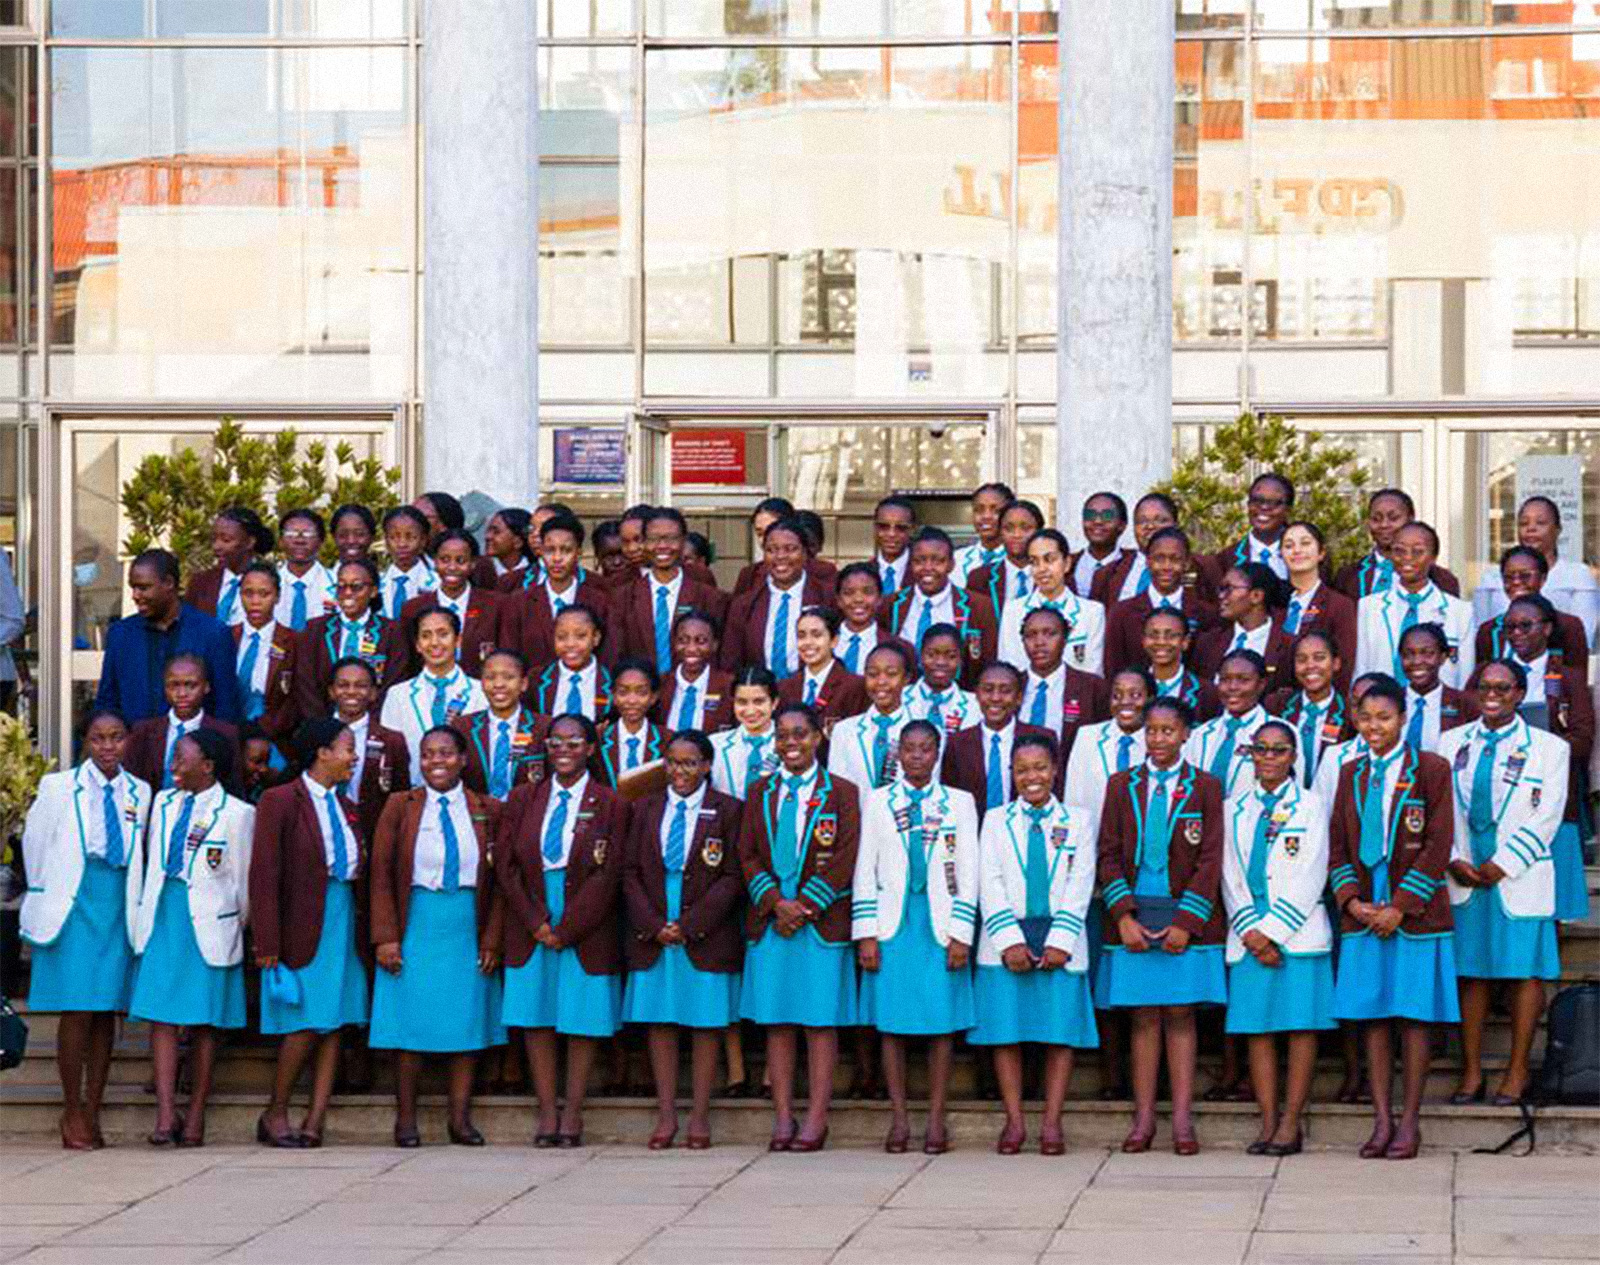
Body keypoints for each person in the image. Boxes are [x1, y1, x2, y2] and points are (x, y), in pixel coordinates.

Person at [1328, 677, 1457, 1160]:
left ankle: (1410, 1120)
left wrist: (1399, 906)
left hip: (1413, 911)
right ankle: (1381, 1118)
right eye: (1365, 718)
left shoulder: (1431, 769)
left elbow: (1438, 843)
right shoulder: (1350, 772)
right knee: (1373, 1017)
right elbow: (1338, 844)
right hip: (1365, 907)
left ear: (1403, 718)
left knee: (1413, 1017)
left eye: (1384, 717)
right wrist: (1353, 902)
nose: (1374, 726)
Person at [1095, 697, 1227, 1156]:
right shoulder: (1122, 784)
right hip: (1135, 913)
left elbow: (1210, 858)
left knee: (1180, 1015)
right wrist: (1123, 917)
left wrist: (1187, 922)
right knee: (1144, 1018)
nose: (1158, 739)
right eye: (1151, 731)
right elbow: (1107, 854)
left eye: (1168, 730)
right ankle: (1145, 1116)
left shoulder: (1206, 787)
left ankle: (1184, 1119)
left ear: (1186, 734)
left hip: (1182, 916)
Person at [369, 725, 505, 1147]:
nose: (436, 762)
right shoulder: (400, 806)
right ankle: (406, 1120)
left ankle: (459, 1119)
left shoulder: (486, 808)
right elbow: (381, 874)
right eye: (427, 754)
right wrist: (386, 936)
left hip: (465, 922)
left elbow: (501, 881)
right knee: (408, 1026)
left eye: (445, 753)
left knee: (466, 1026)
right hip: (416, 922)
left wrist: (492, 939)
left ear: (463, 759)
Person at [21, 710, 150, 1149]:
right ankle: (71, 1109)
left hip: (116, 904)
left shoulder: (141, 792)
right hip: (74, 903)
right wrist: (46, 895)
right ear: (85, 744)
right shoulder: (58, 788)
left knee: (104, 1010)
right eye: (98, 739)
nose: (108, 747)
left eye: (116, 738)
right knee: (76, 1008)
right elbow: (35, 845)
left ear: (127, 741)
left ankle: (93, 1108)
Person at [498, 713, 627, 1146]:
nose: (564, 751)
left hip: (584, 919)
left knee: (581, 1016)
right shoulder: (523, 798)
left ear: (591, 749)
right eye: (556, 743)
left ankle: (573, 1112)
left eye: (574, 743)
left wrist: (567, 928)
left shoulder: (610, 802)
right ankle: (547, 1110)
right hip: (531, 916)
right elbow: (508, 867)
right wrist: (536, 921)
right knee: (536, 1015)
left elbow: (608, 874)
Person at [1442, 660, 1567, 1107]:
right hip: (1466, 875)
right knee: (1471, 974)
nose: (1492, 694)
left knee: (1523, 975)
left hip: (1517, 876)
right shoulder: (1451, 742)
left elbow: (1548, 814)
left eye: (1502, 687)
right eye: (1484, 686)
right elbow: (1441, 811)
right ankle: (1471, 1071)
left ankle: (1516, 1072)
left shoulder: (1549, 749)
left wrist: (1505, 862)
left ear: (1519, 692)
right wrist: (1455, 858)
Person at [739, 703, 861, 1152]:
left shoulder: (842, 793)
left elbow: (847, 855)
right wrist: (774, 903)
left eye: (800, 735)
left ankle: (816, 1117)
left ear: (818, 738)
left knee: (819, 1022)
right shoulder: (760, 791)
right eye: (783, 736)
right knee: (778, 1022)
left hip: (818, 922)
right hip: (773, 921)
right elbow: (747, 852)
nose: (791, 744)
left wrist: (804, 905)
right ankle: (784, 1115)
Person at [971, 733, 1100, 1155]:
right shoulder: (995, 819)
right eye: (1023, 769)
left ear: (1056, 769)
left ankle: (1051, 1122)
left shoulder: (1077, 821)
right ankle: (1014, 1121)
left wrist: (1061, 940)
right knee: (1007, 1034)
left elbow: (1081, 883)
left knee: (1058, 1034)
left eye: (1040, 768)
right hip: (1007, 940)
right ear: (1011, 773)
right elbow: (988, 882)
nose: (1032, 777)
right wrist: (1008, 941)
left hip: (1060, 938)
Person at [854, 721, 978, 1154]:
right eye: (910, 750)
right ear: (899, 754)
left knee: (941, 1025)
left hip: (938, 925)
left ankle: (937, 1120)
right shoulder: (878, 801)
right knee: (892, 1025)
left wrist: (962, 932)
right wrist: (866, 933)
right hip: (894, 923)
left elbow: (969, 872)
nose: (918, 757)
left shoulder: (959, 803)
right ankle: (900, 1118)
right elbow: (864, 870)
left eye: (926, 749)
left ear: (938, 752)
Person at [127, 728, 254, 1148]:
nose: (174, 764)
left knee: (204, 1023)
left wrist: (237, 925)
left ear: (208, 766)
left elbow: (243, 881)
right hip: (165, 915)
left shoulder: (236, 813)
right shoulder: (162, 803)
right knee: (161, 1018)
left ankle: (196, 1112)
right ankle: (166, 1113)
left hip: (210, 923)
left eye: (182, 757)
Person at [622, 730, 745, 1149]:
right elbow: (631, 871)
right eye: (673, 762)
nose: (680, 771)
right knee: (662, 1020)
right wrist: (655, 923)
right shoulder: (645, 808)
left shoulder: (727, 810)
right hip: (656, 925)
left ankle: (699, 1116)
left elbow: (732, 875)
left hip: (704, 927)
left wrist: (690, 925)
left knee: (706, 1022)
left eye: (690, 763)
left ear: (707, 766)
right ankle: (667, 1114)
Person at [250, 719, 370, 1148]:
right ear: (322, 752)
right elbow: (264, 874)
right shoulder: (281, 800)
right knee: (303, 1024)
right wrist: (267, 942)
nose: (353, 757)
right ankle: (276, 1110)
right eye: (347, 749)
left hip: (342, 921)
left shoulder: (347, 804)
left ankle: (316, 1117)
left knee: (334, 1023)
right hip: (302, 925)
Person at [1220, 719, 1335, 1156]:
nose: (1269, 758)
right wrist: (1251, 929)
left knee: (1300, 1027)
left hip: (1297, 936)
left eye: (1279, 750)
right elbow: (1229, 874)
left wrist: (1272, 933)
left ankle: (1291, 1121)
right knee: (1259, 1028)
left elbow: (1311, 872)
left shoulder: (1311, 806)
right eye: (1261, 749)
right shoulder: (1233, 807)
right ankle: (1267, 1119)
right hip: (1248, 935)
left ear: (1294, 757)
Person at [1495, 595, 1594, 921]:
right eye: (1510, 627)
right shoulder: (1489, 675)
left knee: (1553, 906)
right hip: (1500, 792)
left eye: (1526, 625)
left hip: (1548, 789)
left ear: (1548, 628)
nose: (1517, 633)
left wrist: (1543, 752)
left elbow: (1581, 738)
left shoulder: (1568, 677)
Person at [96, 549, 242, 725]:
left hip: (196, 747)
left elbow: (226, 706)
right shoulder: (120, 634)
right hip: (137, 746)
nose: (135, 596)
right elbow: (107, 701)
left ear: (168, 583)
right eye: (133, 588)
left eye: (143, 588)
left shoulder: (212, 633)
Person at [1354, 521, 1475, 690]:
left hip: (1440, 709)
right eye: (1399, 551)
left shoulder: (1460, 611)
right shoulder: (1369, 607)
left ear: (1433, 557)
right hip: (1382, 709)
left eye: (1418, 552)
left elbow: (1465, 674)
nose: (1407, 557)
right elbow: (1362, 667)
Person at [1472, 495, 1600, 649]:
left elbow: (1583, 638)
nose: (1531, 528)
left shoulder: (1578, 575)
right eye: (1524, 523)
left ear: (1558, 529)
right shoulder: (1491, 577)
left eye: (1541, 522)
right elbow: (1482, 637)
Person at [609, 509, 726, 674]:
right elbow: (615, 655)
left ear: (684, 541)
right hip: (640, 694)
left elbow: (719, 657)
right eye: (654, 539)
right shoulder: (622, 597)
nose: (662, 546)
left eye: (671, 538)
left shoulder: (710, 597)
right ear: (643, 542)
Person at [881, 527, 999, 688]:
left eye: (938, 560)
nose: (928, 567)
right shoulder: (891, 605)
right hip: (903, 699)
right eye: (920, 560)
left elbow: (988, 661)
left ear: (951, 564)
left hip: (960, 701)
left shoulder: (979, 606)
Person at [293, 558, 408, 721]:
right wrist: (327, 727)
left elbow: (393, 685)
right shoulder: (314, 630)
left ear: (374, 590)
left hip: (376, 724)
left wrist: (367, 724)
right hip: (324, 726)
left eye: (356, 587)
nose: (347, 593)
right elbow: (305, 685)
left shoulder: (392, 632)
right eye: (341, 586)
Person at [941, 662, 1055, 821]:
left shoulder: (1042, 738)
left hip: (1026, 832)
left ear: (1019, 698)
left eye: (1005, 691)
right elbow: (951, 798)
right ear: (977, 694)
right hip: (974, 835)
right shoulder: (958, 743)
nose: (995, 698)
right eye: (988, 690)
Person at [501, 515, 612, 676]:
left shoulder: (599, 601)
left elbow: (608, 655)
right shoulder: (519, 602)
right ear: (541, 551)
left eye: (566, 550)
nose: (557, 558)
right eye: (550, 550)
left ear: (578, 552)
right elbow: (509, 657)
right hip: (533, 695)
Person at [380, 608, 489, 767]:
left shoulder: (481, 692)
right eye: (426, 636)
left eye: (443, 634)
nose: (434, 643)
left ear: (458, 640)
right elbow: (390, 754)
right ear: (417, 645)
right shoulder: (398, 695)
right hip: (414, 787)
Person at [720, 518, 829, 677]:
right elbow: (730, 664)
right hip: (760, 697)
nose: (780, 556)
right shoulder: (744, 605)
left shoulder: (827, 597)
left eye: (790, 549)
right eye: (771, 550)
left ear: (805, 553)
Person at [1104, 526, 1215, 677]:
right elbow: (1113, 668)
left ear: (1187, 563)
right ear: (1148, 561)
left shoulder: (1206, 614)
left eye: (1175, 559)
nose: (1166, 567)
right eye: (1159, 559)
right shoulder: (1122, 613)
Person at [999, 527, 1106, 678]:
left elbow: (1093, 672)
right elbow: (1008, 669)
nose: (1042, 569)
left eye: (1049, 559)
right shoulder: (1013, 611)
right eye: (1034, 562)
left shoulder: (1092, 612)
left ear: (1067, 563)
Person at [123, 653, 239, 791]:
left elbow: (233, 789)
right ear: (164, 688)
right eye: (173, 685)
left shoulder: (225, 733)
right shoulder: (143, 731)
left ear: (206, 687)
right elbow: (131, 787)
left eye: (191, 685)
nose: (182, 694)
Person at [401, 530, 504, 678]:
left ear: (473, 563)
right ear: (435, 562)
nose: (452, 567)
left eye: (460, 560)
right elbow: (409, 661)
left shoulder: (496, 604)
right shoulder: (413, 608)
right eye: (444, 559)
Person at [1473, 547, 1589, 678]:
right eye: (1508, 577)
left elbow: (1577, 682)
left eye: (1525, 576)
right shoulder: (1488, 631)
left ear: (1543, 578)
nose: (1516, 582)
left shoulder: (1568, 626)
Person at [1017, 607, 1109, 770]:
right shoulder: (1012, 686)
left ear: (1065, 638)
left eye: (1050, 633)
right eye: (1031, 635)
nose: (1039, 642)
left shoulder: (1093, 687)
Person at [1332, 488, 1462, 601]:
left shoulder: (1441, 579)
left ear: (1410, 519)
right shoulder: (1347, 577)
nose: (1384, 525)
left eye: (1393, 518)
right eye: (1376, 519)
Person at [455, 649, 549, 799]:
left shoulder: (544, 727)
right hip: (477, 816)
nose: (498, 684)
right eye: (490, 677)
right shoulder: (462, 727)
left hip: (527, 815)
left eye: (509, 677)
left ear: (524, 683)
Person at [1267, 631, 1352, 790]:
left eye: (1319, 658)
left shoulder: (1349, 713)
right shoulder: (1277, 706)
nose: (1310, 666)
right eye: (1301, 660)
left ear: (1336, 663)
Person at [827, 642, 915, 794]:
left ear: (906, 678)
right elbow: (838, 791)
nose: (881, 682)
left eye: (891, 674)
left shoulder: (924, 731)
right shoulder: (844, 731)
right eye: (873, 674)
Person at [1184, 649, 1271, 800]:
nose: (1232, 687)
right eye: (1225, 679)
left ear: (1261, 684)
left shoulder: (1281, 733)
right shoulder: (1200, 734)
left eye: (1243, 680)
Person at [1280, 521, 1357, 690]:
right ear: (1281, 554)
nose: (1297, 550)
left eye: (1305, 543)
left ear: (1321, 553)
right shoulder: (1276, 603)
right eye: (1288, 546)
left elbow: (1345, 664)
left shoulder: (1339, 605)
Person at [1194, 562, 1292, 692]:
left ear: (1256, 596)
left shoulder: (1288, 646)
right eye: (1221, 589)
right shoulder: (1208, 642)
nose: (1221, 596)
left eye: (1229, 589)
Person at [1064, 668, 1152, 812]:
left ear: (1150, 698)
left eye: (1135, 695)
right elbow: (1073, 798)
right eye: (1117, 695)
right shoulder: (1087, 736)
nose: (1125, 702)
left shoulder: (1158, 742)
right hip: (1096, 831)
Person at [777, 605, 868, 736]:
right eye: (801, 636)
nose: (808, 642)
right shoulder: (784, 687)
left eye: (816, 635)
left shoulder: (855, 686)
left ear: (834, 641)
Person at [1396, 623, 1479, 754]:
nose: (1417, 661)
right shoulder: (1391, 700)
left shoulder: (1465, 705)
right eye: (1408, 654)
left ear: (1443, 657)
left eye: (1427, 653)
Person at [185, 507, 274, 625]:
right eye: (214, 539)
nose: (216, 546)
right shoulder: (200, 583)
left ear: (250, 542)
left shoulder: (270, 583)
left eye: (226, 540)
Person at [1204, 472, 1294, 588]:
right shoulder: (1226, 559)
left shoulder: (1306, 556)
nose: (1264, 507)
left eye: (1274, 503)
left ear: (1288, 510)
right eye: (1257, 500)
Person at [657, 610, 736, 735]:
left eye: (701, 641)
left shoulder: (729, 686)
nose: (691, 649)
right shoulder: (660, 684)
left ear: (714, 645)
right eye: (683, 640)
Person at [529, 605, 613, 719]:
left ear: (596, 638)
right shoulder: (536, 679)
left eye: (581, 636)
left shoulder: (612, 681)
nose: (570, 644)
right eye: (561, 637)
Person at [711, 667, 780, 801]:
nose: (750, 711)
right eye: (742, 702)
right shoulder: (715, 744)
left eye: (759, 702)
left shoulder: (790, 744)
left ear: (774, 702)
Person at [1101, 492, 1182, 604]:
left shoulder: (1200, 568)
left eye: (1160, 520)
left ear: (1176, 525)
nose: (1150, 526)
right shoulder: (1108, 573)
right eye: (1142, 521)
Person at [1142, 607, 1221, 720]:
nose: (1161, 642)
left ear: (1185, 642)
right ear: (1144, 641)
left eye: (1171, 636)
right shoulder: (1131, 688)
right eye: (1153, 635)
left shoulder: (1207, 692)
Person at [967, 499, 1044, 617]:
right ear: (1000, 532)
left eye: (1025, 528)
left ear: (1039, 531)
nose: (1016, 535)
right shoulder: (980, 578)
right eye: (1008, 528)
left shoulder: (1053, 576)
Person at [597, 660, 667, 786]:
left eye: (641, 692)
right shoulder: (599, 738)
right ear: (613, 695)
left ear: (653, 697)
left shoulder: (667, 739)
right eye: (623, 692)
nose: (632, 700)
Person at [905, 624, 979, 737]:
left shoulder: (975, 705)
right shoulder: (899, 697)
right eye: (931, 655)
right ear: (920, 655)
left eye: (951, 656)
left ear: (961, 659)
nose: (941, 662)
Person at [274, 509, 335, 632]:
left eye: (308, 534)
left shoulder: (337, 583)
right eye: (291, 534)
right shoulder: (267, 583)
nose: (299, 541)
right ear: (280, 540)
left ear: (321, 541)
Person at [1071, 491, 1136, 600]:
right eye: (1090, 515)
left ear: (1122, 525)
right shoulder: (1067, 565)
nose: (1097, 521)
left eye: (1107, 515)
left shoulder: (1133, 565)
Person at [378, 506, 437, 618]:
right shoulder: (376, 583)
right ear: (386, 540)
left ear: (423, 540)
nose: (402, 544)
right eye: (394, 537)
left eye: (411, 537)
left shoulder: (437, 584)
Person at [951, 482, 1014, 587]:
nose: (986, 516)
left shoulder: (1019, 561)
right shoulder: (956, 559)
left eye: (996, 511)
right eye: (979, 510)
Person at [835, 562, 890, 676]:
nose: (858, 599)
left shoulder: (895, 645)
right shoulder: (822, 642)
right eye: (848, 593)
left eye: (868, 592)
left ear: (880, 598)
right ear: (839, 600)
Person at [476, 507, 536, 592]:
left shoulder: (534, 574)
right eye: (488, 530)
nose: (488, 536)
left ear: (518, 542)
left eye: (496, 532)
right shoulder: (477, 570)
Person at [871, 496, 917, 596]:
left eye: (901, 528)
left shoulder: (922, 574)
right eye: (883, 526)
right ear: (875, 528)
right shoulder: (861, 573)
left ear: (912, 530)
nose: (891, 534)